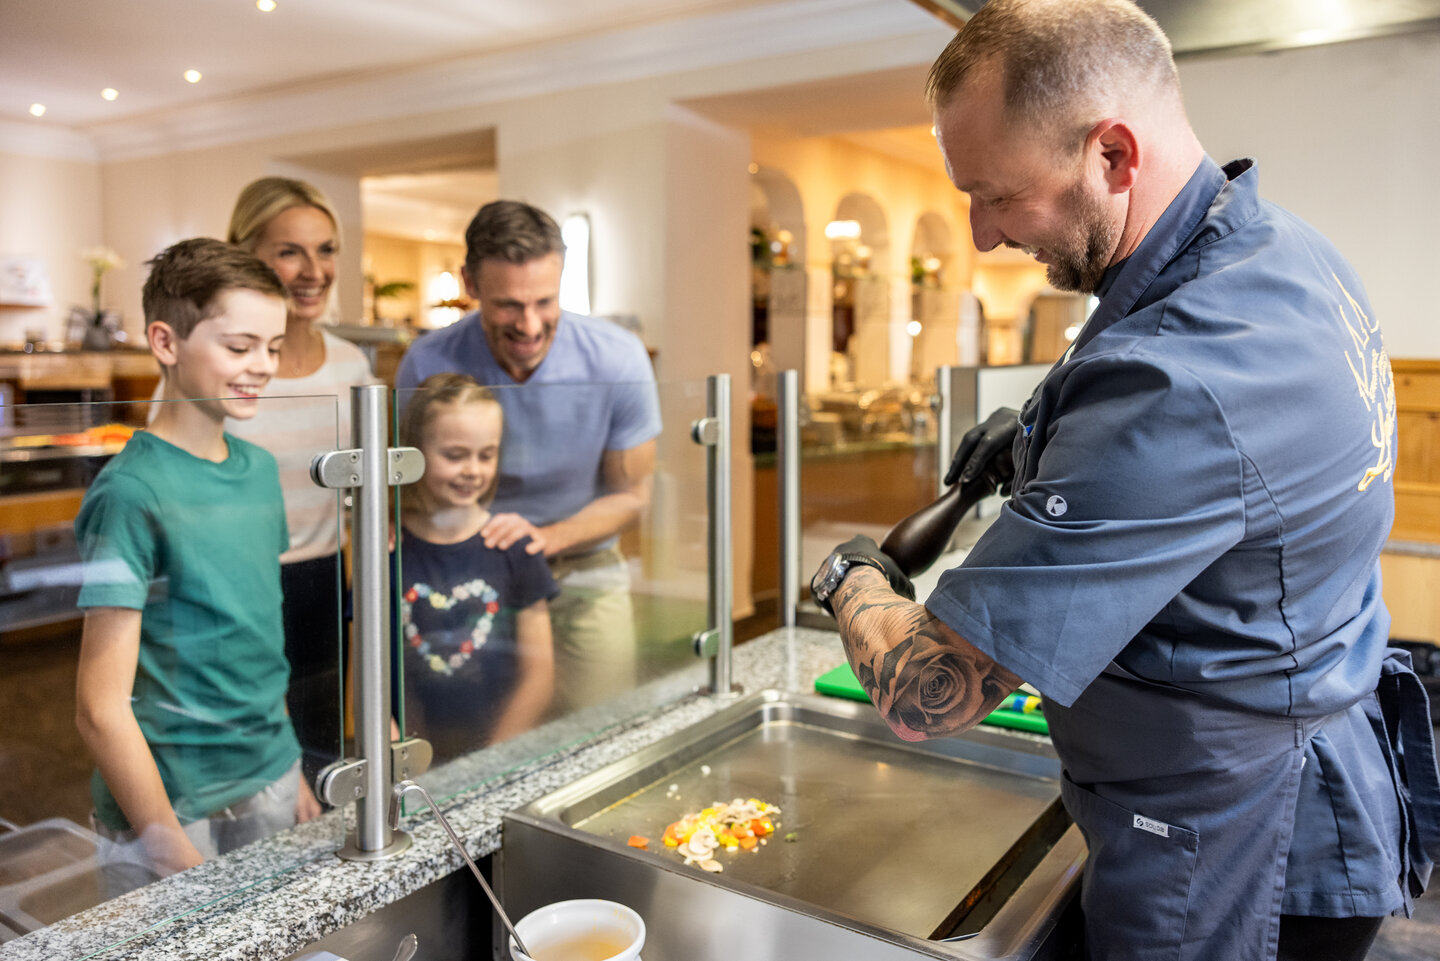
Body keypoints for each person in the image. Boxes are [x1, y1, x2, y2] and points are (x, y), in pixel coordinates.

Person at [811, 2, 1440, 960]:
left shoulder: (1175, 379)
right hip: (1324, 770)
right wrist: (1046, 437)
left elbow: (925, 688)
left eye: (997, 195)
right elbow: (1232, 486)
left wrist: (849, 575)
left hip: (1235, 849)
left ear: (1112, 156)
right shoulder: (1286, 254)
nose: (981, 236)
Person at [75, 238, 321, 877]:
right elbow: (99, 707)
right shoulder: (133, 491)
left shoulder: (261, 470)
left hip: (268, 774)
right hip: (168, 803)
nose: (263, 365)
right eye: (239, 347)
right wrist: (165, 844)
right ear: (166, 343)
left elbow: (259, 638)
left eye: (273, 346)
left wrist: (287, 764)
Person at [395, 201, 661, 715]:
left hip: (584, 570)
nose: (530, 324)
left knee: (600, 727)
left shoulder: (618, 356)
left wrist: (542, 540)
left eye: (545, 301)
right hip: (466, 574)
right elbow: (407, 483)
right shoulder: (426, 361)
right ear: (470, 281)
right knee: (479, 737)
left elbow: (632, 496)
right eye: (509, 306)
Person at [225, 177, 376, 785]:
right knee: (248, 767)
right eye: (290, 251)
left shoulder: (351, 364)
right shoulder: (219, 363)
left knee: (318, 757)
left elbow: (360, 497)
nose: (314, 270)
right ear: (247, 256)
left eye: (326, 249)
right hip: (234, 586)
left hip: (319, 584)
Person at [396, 373, 558, 761]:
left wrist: (491, 760)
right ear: (414, 450)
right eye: (454, 455)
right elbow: (373, 681)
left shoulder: (514, 548)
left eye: (486, 455)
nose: (473, 470)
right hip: (415, 762)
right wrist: (404, 761)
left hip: (501, 750)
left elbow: (539, 675)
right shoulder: (389, 549)